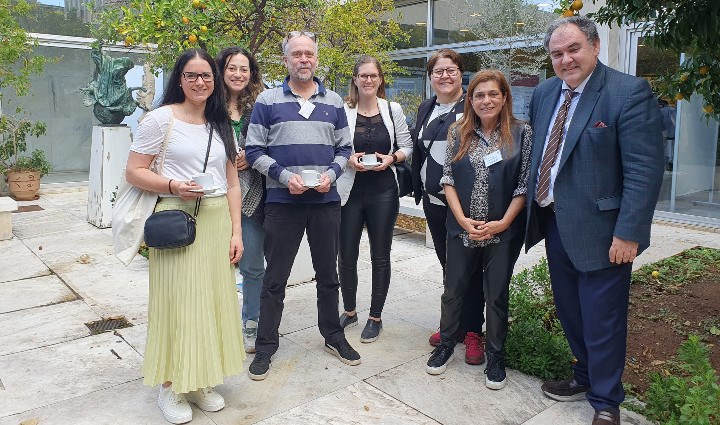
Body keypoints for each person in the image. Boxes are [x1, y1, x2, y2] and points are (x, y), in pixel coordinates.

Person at [524, 16, 664, 425]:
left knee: (602, 317)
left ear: (595, 47)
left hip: (606, 233)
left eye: (573, 50)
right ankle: (584, 376)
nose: (565, 60)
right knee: (570, 311)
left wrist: (629, 232)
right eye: (557, 54)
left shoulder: (628, 92)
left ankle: (606, 401)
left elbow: (644, 170)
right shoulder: (546, 93)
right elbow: (539, 154)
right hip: (555, 223)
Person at [126, 49, 245, 424]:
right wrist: (174, 184)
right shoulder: (160, 120)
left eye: (206, 76)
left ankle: (200, 380)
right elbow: (133, 171)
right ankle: (171, 385)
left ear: (215, 80)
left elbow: (231, 183)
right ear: (179, 79)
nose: (199, 82)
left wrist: (237, 231)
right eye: (192, 75)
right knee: (177, 304)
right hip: (176, 219)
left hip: (215, 223)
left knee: (210, 302)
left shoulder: (220, 122)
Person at [245, 31, 360, 380]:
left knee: (328, 275)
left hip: (325, 201)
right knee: (274, 278)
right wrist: (282, 176)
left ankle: (332, 334)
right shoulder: (267, 101)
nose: (303, 60)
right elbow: (253, 152)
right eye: (297, 54)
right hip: (283, 202)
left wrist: (332, 173)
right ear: (285, 60)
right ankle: (266, 345)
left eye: (309, 53)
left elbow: (344, 150)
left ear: (316, 58)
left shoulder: (335, 102)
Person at [425, 70, 530, 391]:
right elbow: (448, 180)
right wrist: (461, 219)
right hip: (461, 227)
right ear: (471, 100)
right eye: (479, 95)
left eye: (493, 94)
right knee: (453, 289)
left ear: (504, 98)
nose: (486, 100)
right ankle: (446, 344)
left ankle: (495, 356)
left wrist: (504, 222)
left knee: (496, 294)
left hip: (502, 230)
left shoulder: (522, 133)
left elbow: (524, 184)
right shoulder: (459, 131)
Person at [410, 48, 486, 365]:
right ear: (430, 77)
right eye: (438, 71)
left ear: (460, 73)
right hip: (433, 203)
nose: (445, 76)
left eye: (451, 70)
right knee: (448, 267)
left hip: (464, 205)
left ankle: (473, 332)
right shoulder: (426, 108)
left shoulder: (473, 106)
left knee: (468, 269)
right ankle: (452, 326)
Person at [336, 55, 412, 343]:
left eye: (374, 75)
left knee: (381, 255)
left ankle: (375, 317)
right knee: (347, 255)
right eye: (363, 75)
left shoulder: (392, 110)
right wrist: (348, 159)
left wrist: (391, 158)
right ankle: (351, 311)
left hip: (383, 190)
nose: (368, 80)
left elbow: (407, 146)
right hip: (350, 191)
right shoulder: (343, 111)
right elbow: (334, 148)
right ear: (355, 79)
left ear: (380, 80)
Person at [216, 46, 265, 353]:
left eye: (244, 69)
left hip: (252, 196)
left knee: (252, 265)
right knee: (214, 266)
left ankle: (251, 321)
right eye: (232, 68)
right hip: (213, 195)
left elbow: (274, 141)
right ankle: (216, 323)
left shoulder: (260, 105)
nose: (238, 74)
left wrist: (253, 154)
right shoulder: (208, 105)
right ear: (222, 71)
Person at [658, 98, 676, 171]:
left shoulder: (661, 111)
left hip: (664, 132)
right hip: (674, 133)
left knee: (666, 149)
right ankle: (670, 163)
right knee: (672, 148)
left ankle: (667, 164)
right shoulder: (675, 110)